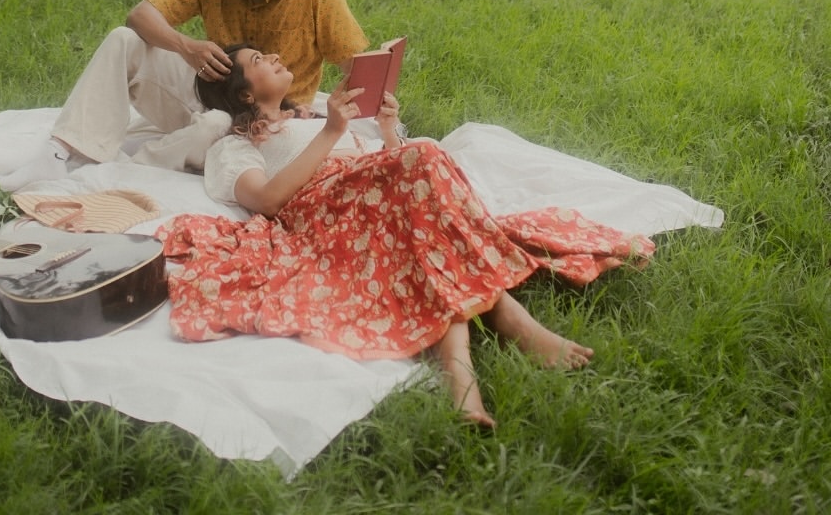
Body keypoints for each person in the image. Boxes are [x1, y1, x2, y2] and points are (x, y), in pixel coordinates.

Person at [159, 45, 655, 428]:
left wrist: (388, 130)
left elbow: (390, 162)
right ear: (246, 94)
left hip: (388, 197)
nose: (273, 56)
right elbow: (266, 200)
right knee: (423, 168)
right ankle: (513, 323)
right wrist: (334, 134)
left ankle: (458, 369)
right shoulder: (238, 144)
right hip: (325, 211)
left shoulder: (316, 114)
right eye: (258, 60)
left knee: (419, 188)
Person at [30, 0, 368, 176]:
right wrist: (186, 46)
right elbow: (140, 16)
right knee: (124, 39)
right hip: (213, 95)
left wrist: (366, 107)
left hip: (274, 122)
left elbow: (356, 65)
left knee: (215, 125)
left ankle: (127, 170)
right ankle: (61, 151)